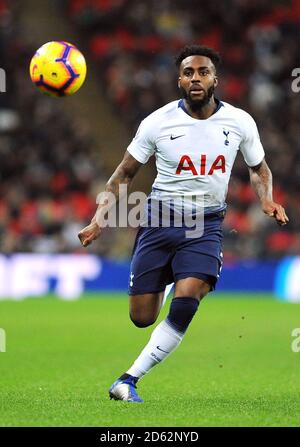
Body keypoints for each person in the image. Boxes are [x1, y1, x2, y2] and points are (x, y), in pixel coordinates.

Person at [78, 44, 289, 402]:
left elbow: (259, 168)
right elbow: (123, 174)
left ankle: (127, 380)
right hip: (159, 220)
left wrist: (265, 198)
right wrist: (100, 219)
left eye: (203, 72)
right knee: (143, 317)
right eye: (189, 72)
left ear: (214, 79)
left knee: (189, 295)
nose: (196, 78)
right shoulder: (157, 122)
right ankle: (165, 282)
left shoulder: (239, 122)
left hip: (204, 225)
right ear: (179, 80)